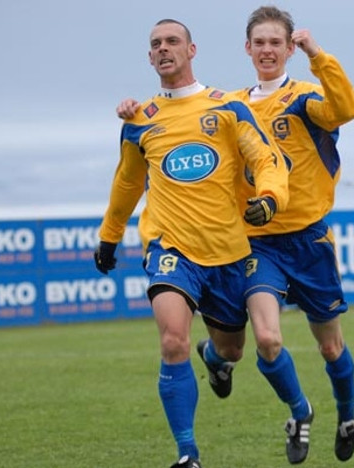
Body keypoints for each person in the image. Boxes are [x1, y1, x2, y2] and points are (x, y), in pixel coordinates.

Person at [117, 6, 354, 465]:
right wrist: (135, 109)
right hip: (257, 242)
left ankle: (347, 415)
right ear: (247, 49)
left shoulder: (305, 99)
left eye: (276, 43)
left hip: (308, 240)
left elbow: (346, 108)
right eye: (259, 43)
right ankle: (298, 413)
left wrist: (318, 55)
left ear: (288, 49)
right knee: (267, 339)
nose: (267, 50)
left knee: (330, 346)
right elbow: (181, 115)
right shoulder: (229, 104)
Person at [95, 19, 289, 468]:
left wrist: (270, 197)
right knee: (173, 341)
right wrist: (109, 235)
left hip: (225, 251)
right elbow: (127, 183)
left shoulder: (227, 107)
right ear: (150, 57)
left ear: (192, 49)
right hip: (170, 248)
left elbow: (266, 158)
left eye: (172, 41)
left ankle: (216, 359)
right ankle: (188, 454)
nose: (164, 48)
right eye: (156, 44)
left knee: (233, 348)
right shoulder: (140, 119)